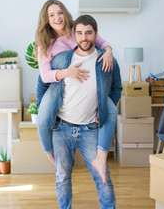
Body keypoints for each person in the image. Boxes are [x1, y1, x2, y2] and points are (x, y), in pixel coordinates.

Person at [41, 14, 122, 208]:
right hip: (61, 129)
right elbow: (43, 83)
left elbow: (117, 88)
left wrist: (104, 108)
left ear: (95, 34)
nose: (84, 37)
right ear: (74, 35)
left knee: (102, 176)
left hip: (90, 129)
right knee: (62, 178)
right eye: (79, 33)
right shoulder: (61, 60)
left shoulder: (107, 60)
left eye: (88, 33)